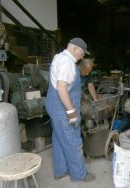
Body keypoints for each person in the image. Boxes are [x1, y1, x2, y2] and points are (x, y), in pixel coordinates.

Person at [45, 37, 96, 182]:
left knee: (60, 138)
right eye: (82, 52)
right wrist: (71, 112)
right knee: (73, 141)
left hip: (52, 104)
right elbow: (62, 88)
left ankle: (61, 170)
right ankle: (79, 174)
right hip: (62, 109)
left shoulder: (58, 57)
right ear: (74, 49)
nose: (83, 56)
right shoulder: (68, 63)